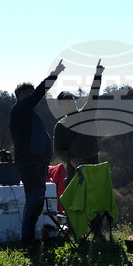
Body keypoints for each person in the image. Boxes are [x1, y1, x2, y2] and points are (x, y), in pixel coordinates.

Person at [9, 60, 66, 245]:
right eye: (26, 92)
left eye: (30, 92)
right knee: (34, 201)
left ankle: (30, 237)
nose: (30, 95)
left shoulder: (29, 114)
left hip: (38, 162)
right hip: (30, 162)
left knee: (36, 201)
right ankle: (27, 239)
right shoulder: (20, 110)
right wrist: (54, 74)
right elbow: (40, 93)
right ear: (18, 96)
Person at [54, 59, 105, 189]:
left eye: (71, 98)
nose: (70, 101)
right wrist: (70, 160)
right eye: (66, 100)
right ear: (61, 105)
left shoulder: (87, 113)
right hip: (75, 166)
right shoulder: (61, 125)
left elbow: (94, 94)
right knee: (77, 203)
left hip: (94, 163)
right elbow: (58, 150)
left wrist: (98, 74)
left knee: (96, 201)